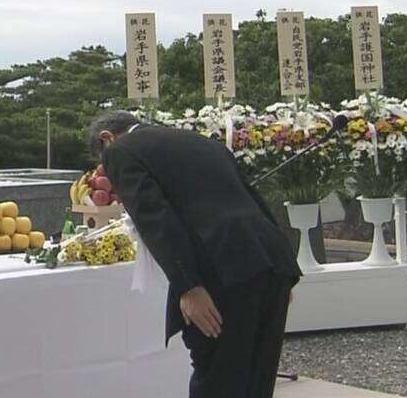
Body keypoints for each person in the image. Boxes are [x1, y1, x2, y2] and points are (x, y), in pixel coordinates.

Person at [89, 110, 301, 398]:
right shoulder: (201, 141)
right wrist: (279, 270)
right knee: (257, 379)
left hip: (222, 271)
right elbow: (251, 196)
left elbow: (154, 218)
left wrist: (188, 286)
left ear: (107, 138)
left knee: (218, 378)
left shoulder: (121, 150)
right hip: (271, 261)